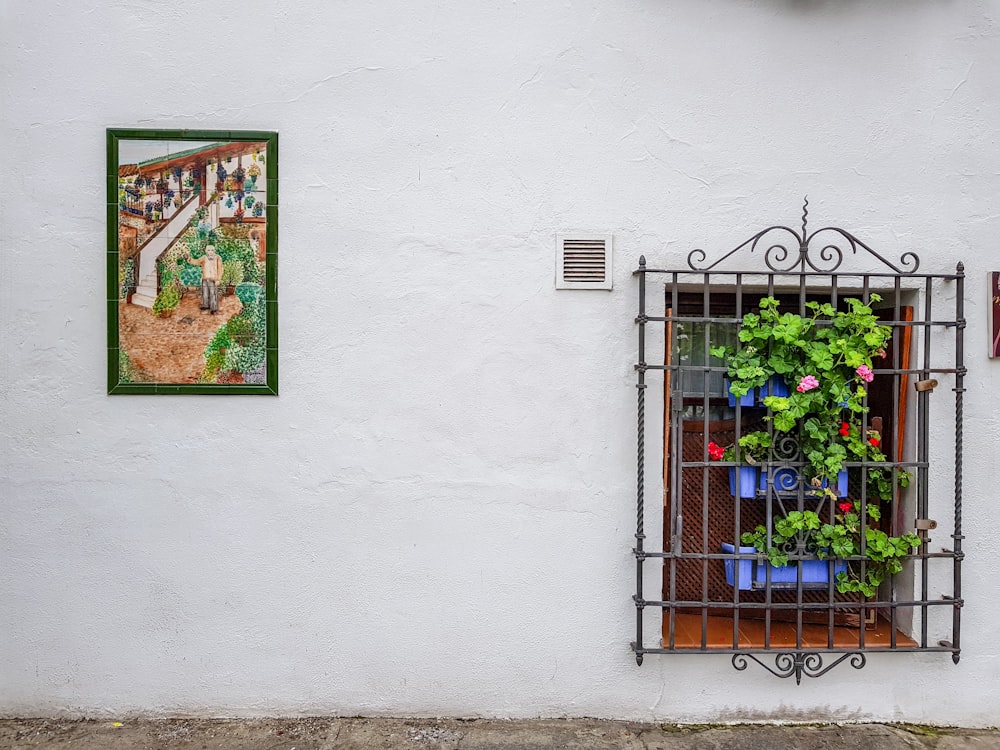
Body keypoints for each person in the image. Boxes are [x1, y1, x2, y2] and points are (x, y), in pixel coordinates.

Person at [186, 244, 224, 314]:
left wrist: (218, 279)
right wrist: (190, 259)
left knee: (213, 293)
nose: (210, 251)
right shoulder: (204, 257)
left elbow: (220, 269)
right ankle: (206, 305)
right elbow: (197, 262)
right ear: (206, 251)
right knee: (205, 293)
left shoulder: (218, 257)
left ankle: (213, 308)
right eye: (208, 250)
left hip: (213, 279)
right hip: (205, 278)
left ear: (214, 251)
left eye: (212, 250)